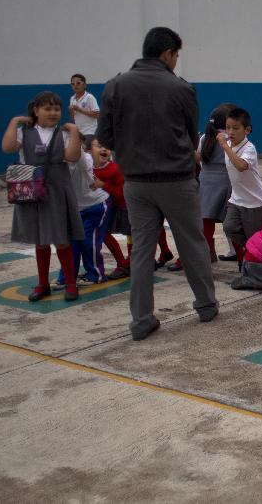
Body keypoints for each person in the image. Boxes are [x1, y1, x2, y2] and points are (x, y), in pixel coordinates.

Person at [97, 26, 219, 340]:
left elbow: (106, 137)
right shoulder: (181, 88)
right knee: (192, 243)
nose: (176, 61)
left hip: (135, 182)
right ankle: (206, 305)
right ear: (167, 54)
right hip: (177, 180)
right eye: (176, 56)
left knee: (141, 250)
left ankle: (141, 321)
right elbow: (192, 136)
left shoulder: (115, 86)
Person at [2, 92, 83, 302]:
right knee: (40, 241)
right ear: (36, 110)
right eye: (47, 108)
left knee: (62, 240)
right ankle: (43, 284)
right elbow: (8, 147)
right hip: (32, 192)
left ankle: (71, 284)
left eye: (57, 109)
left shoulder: (63, 133)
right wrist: (15, 121)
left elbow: (72, 156)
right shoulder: (24, 132)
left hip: (57, 191)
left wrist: (74, 131)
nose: (53, 113)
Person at [168, 103, 236, 272]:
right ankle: (238, 254)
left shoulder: (205, 138)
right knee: (232, 221)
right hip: (227, 182)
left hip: (206, 183)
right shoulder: (231, 139)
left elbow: (199, 159)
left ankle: (207, 253)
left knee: (205, 222)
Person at [54, 136, 112, 286]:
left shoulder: (84, 159)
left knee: (88, 242)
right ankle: (67, 276)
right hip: (74, 209)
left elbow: (77, 155)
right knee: (71, 244)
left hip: (96, 206)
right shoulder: (56, 162)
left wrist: (73, 131)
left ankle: (95, 275)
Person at [219, 107, 262, 267]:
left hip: (255, 203)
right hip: (236, 199)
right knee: (229, 227)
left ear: (247, 130)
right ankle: (249, 249)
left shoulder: (249, 148)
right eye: (228, 128)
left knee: (258, 240)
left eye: (236, 128)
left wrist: (226, 148)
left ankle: (260, 265)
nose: (231, 132)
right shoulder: (228, 144)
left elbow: (241, 166)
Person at [91, 138, 131, 279]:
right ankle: (123, 263)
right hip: (105, 209)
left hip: (123, 207)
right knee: (105, 234)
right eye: (99, 146)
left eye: (107, 147)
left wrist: (103, 185)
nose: (104, 149)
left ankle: (129, 264)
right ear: (89, 150)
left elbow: (121, 193)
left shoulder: (115, 169)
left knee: (132, 235)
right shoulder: (88, 168)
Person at [68, 73, 99, 139]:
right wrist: (71, 112)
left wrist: (79, 109)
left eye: (78, 83)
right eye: (73, 84)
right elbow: (73, 119)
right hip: (78, 132)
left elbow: (97, 114)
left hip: (90, 131)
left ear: (84, 85)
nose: (75, 86)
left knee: (85, 147)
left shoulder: (89, 97)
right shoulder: (72, 99)